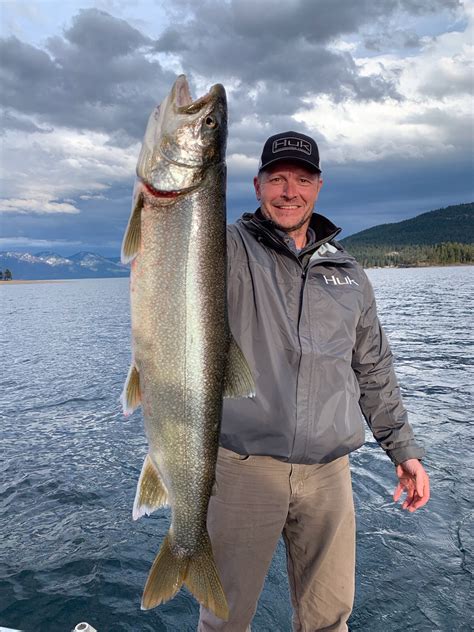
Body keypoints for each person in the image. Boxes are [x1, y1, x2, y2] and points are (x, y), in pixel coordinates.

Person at [198, 131, 430, 632]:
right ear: (257, 186)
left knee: (329, 620)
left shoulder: (348, 272)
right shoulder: (226, 251)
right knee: (224, 619)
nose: (289, 191)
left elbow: (373, 368)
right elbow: (173, 239)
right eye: (277, 179)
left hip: (328, 474)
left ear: (318, 187)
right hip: (243, 469)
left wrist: (403, 451)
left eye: (301, 179)